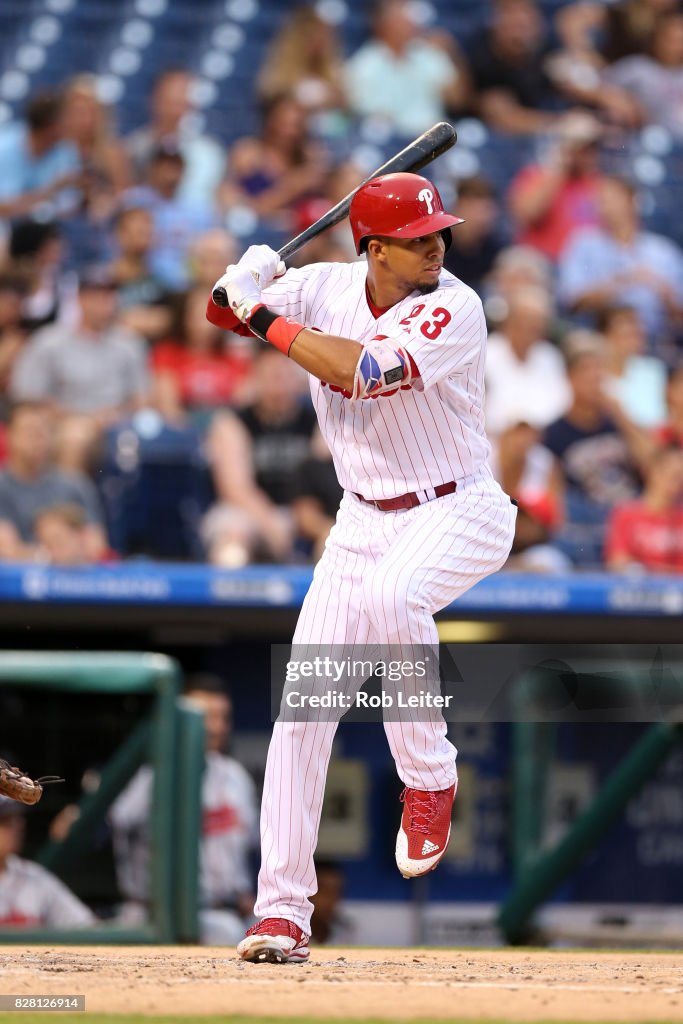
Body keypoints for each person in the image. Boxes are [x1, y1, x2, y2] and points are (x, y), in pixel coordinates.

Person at [206, 171, 517, 963]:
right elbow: (221, 312)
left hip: (457, 507)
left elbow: (362, 374)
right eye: (417, 240)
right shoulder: (325, 285)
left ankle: (430, 778)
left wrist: (260, 312)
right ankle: (279, 912)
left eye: (438, 233)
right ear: (372, 249)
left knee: (393, 595)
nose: (436, 247)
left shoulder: (457, 305)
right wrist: (240, 283)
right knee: (301, 715)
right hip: (361, 519)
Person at [109, 675, 258, 945]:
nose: (218, 727)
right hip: (154, 917)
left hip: (225, 914)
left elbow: (252, 846)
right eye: (209, 717)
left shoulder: (236, 777)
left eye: (224, 717)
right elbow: (107, 829)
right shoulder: (150, 776)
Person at [10, 267, 150, 472]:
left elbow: (141, 398)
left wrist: (116, 415)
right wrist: (82, 418)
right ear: (81, 299)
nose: (105, 302)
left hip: (119, 425)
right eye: (97, 295)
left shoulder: (129, 343)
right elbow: (28, 398)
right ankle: (69, 503)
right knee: (75, 437)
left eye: (109, 295)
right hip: (63, 425)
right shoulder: (49, 341)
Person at [542, 333, 651, 566]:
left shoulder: (619, 422)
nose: (595, 377)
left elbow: (652, 466)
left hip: (627, 528)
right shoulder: (554, 432)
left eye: (600, 370)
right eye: (587, 370)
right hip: (583, 529)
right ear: (569, 377)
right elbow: (554, 495)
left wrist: (622, 416)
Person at [202, 347, 315, 565]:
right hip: (246, 511)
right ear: (255, 378)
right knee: (231, 546)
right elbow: (235, 489)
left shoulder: (317, 422)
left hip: (300, 511)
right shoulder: (233, 422)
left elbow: (327, 480)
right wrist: (270, 523)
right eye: (271, 375)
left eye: (284, 375)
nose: (279, 383)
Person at [557, 174, 683, 358]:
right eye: (601, 200)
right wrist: (623, 281)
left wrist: (663, 291)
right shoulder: (583, 244)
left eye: (612, 198)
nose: (605, 206)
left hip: (653, 342)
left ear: (633, 201)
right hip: (598, 338)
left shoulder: (662, 251)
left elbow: (679, 313)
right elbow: (573, 300)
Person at [0, 402, 106, 562]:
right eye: (30, 432)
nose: (38, 439)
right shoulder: (3, 486)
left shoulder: (75, 484)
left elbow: (96, 546)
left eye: (44, 432)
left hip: (73, 580)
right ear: (10, 435)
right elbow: (6, 549)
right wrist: (49, 556)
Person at [345, 0, 468, 136]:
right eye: (400, 15)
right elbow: (369, 115)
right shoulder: (364, 65)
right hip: (393, 140)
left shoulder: (428, 54)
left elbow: (457, 100)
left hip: (434, 137)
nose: (409, 19)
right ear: (381, 23)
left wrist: (451, 52)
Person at [507, 112, 603, 263]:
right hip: (544, 261)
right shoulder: (536, 176)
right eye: (582, 148)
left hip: (586, 265)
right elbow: (526, 215)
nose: (588, 155)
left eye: (592, 148)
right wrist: (559, 167)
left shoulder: (599, 184)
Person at [125, 68, 226, 209]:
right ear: (154, 100)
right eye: (169, 99)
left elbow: (217, 198)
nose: (174, 107)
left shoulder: (209, 153)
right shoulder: (134, 148)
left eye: (181, 97)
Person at [122, 143, 217, 292]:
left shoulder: (198, 209)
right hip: (144, 276)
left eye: (175, 167)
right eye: (164, 166)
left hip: (188, 281)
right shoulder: (135, 200)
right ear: (153, 168)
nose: (170, 173)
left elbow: (208, 245)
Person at [484, 286, 571, 437]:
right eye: (527, 323)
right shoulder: (486, 355)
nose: (533, 330)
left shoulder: (550, 356)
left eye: (539, 324)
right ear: (509, 321)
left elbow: (562, 403)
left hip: (545, 441)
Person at [0, 795, 95, 929]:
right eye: (4, 821)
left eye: (17, 819)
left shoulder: (35, 877)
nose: (16, 826)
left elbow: (87, 927)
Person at [0, 90, 82, 221]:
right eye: (63, 120)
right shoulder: (4, 147)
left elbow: (71, 204)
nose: (69, 125)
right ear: (51, 126)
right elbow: (3, 207)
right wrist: (51, 190)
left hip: (51, 229)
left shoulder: (66, 150)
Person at [257, 6, 347, 121]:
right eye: (312, 37)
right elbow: (270, 98)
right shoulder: (279, 75)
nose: (318, 44)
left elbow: (345, 109)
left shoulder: (335, 74)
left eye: (322, 38)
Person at [603, 9, 683, 138]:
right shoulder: (636, 67)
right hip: (645, 138)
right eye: (670, 40)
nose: (676, 46)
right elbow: (598, 86)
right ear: (656, 38)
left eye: (680, 41)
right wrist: (621, 101)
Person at [605, 444, 683, 572]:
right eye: (673, 474)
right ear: (651, 471)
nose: (678, 481)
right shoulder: (626, 514)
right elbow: (618, 562)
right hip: (638, 589)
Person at [108, 205, 172, 342]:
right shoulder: (105, 280)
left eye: (148, 233)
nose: (145, 238)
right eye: (138, 232)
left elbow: (169, 319)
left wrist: (128, 320)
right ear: (120, 235)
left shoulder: (161, 280)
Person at [600, 304, 667, 428]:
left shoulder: (653, 368)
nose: (634, 340)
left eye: (637, 334)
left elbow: (660, 416)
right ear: (606, 335)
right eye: (625, 335)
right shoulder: (596, 376)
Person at [442, 176, 506, 294]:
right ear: (459, 206)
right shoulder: (440, 244)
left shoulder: (496, 249)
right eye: (476, 209)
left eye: (487, 210)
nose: (482, 218)